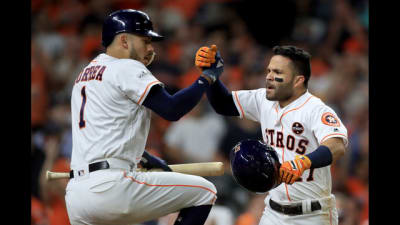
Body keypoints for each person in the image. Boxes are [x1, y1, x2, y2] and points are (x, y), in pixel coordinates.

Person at [65, 9, 224, 225]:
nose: (150, 48)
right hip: (111, 187)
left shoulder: (84, 75)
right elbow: (172, 109)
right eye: (145, 40)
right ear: (123, 40)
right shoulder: (125, 66)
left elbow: (105, 133)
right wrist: (207, 78)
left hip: (77, 195)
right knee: (204, 192)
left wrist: (145, 158)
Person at [197, 45, 348, 225]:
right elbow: (223, 104)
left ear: (298, 80)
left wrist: (303, 162)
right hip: (273, 212)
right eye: (268, 70)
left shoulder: (315, 109)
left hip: (313, 214)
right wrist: (211, 76)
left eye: (277, 72)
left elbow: (337, 145)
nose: (268, 76)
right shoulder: (263, 100)